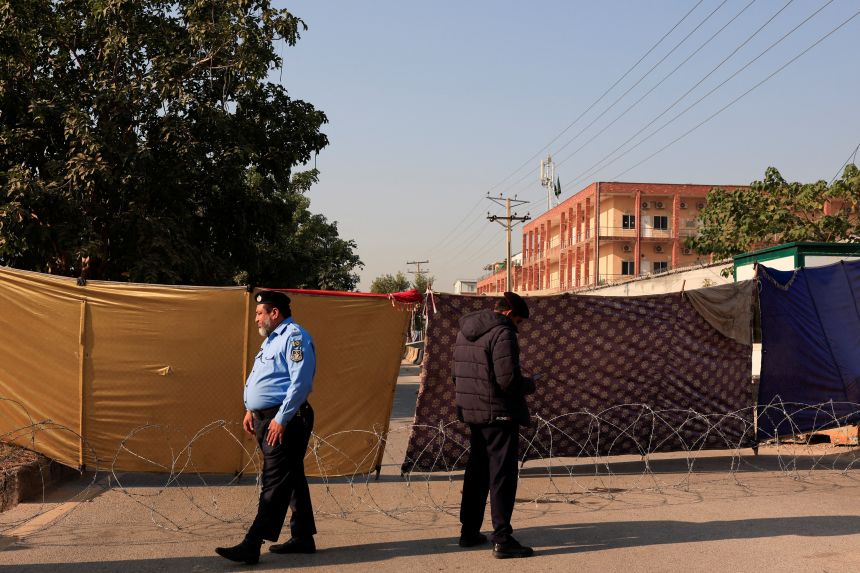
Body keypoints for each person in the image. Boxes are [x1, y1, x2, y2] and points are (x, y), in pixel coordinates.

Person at [216, 290, 317, 565]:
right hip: (265, 418)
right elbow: (265, 378)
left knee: (274, 482)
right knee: (291, 476)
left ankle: (252, 543)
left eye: (260, 314)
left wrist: (281, 419)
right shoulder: (272, 340)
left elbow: (300, 383)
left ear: (275, 313)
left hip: (285, 420)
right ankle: (303, 537)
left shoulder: (294, 337)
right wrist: (251, 409)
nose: (256, 319)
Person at [452, 291, 536, 559]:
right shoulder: (503, 332)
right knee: (501, 475)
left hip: (473, 412)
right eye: (519, 322)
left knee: (477, 472)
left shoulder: (465, 330)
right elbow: (507, 381)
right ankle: (502, 537)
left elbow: (456, 373)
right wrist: (529, 384)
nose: (518, 328)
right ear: (509, 314)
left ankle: (469, 531)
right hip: (499, 414)